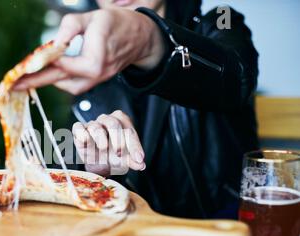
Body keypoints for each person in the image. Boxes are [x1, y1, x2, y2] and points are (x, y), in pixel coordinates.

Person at [15, 0, 259, 219]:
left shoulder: (221, 20)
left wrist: (148, 39)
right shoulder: (85, 69)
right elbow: (71, 184)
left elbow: (237, 80)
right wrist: (99, 174)